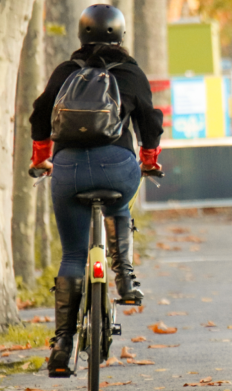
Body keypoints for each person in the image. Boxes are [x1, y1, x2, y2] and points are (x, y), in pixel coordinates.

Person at [29, 4, 163, 378]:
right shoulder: (131, 73)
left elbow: (40, 114)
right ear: (120, 35)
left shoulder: (66, 72)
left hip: (68, 170)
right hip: (117, 168)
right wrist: (149, 160)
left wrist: (41, 157)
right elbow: (150, 123)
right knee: (120, 200)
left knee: (73, 255)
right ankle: (124, 274)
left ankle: (61, 346)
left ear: (82, 35)